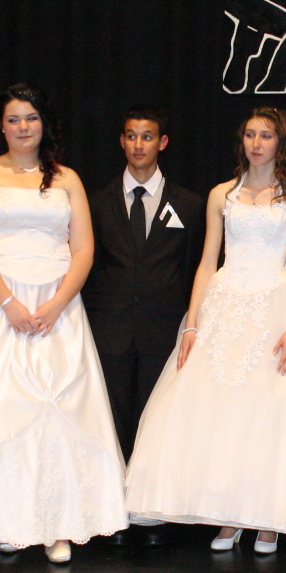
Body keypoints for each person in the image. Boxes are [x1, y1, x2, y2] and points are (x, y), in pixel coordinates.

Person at [125, 107, 286, 554]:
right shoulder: (222, 194)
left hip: (274, 304)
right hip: (224, 304)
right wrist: (192, 323)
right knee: (219, 413)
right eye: (250, 135)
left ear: (280, 143)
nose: (257, 143)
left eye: (266, 136)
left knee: (269, 414)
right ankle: (228, 514)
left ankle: (267, 518)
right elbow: (206, 262)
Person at [0, 85, 127, 562]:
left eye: (30, 118)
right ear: (1, 127)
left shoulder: (67, 179)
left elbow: (83, 249)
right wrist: (9, 303)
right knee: (3, 410)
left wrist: (58, 303)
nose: (23, 126)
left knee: (60, 410)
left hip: (56, 309)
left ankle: (59, 524)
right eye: (13, 119)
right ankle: (7, 519)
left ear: (43, 124)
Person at [83, 108, 205, 461]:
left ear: (162, 143)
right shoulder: (96, 203)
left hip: (163, 331)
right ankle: (114, 488)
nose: (139, 144)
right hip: (111, 331)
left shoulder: (190, 204)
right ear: (122, 142)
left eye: (147, 137)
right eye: (132, 136)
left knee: (158, 421)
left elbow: (194, 268)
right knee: (112, 420)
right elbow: (90, 268)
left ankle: (149, 491)